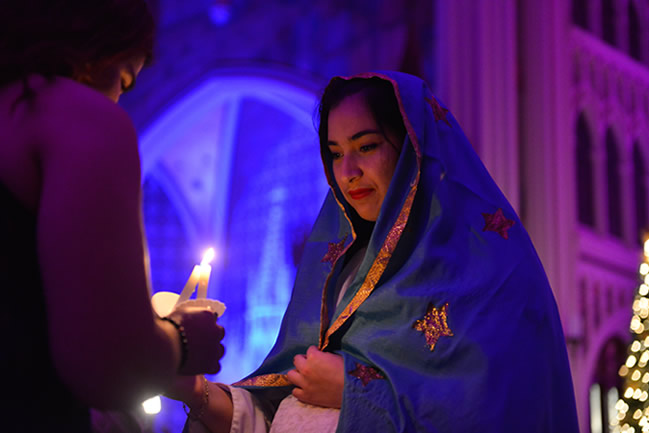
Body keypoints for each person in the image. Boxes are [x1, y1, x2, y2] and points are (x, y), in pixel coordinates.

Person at [171, 71, 579, 432]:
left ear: (413, 150)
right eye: (334, 153)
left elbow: (502, 413)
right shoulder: (341, 272)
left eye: (366, 146)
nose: (347, 172)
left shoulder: (492, 274)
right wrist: (192, 390)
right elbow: (281, 409)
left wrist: (356, 391)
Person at [0, 1, 226, 431]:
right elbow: (112, 365)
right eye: (124, 78)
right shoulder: (74, 115)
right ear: (101, 43)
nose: (119, 97)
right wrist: (179, 340)